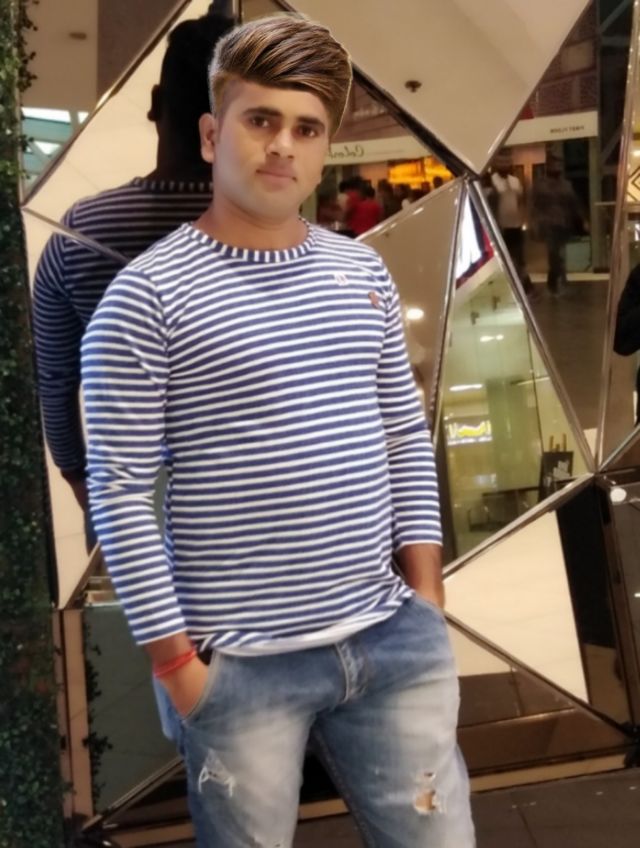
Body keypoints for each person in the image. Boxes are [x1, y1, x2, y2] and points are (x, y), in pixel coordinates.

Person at [81, 14, 475, 848]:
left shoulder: (360, 272)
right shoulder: (146, 298)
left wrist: (427, 600)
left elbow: (403, 438)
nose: (282, 146)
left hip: (390, 640)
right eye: (261, 120)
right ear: (210, 133)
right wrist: (177, 667)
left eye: (307, 128)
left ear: (325, 147)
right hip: (239, 667)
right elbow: (118, 491)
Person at [32, 9, 234, 516]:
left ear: (156, 105)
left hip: (131, 492)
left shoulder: (81, 231)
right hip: (253, 497)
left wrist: (78, 477)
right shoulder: (275, 232)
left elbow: (55, 380)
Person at [531, 154, 584, 295]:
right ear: (548, 166)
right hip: (548, 224)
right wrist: (534, 223)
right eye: (554, 165)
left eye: (559, 165)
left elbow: (574, 204)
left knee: (558, 253)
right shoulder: (540, 185)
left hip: (563, 224)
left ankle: (554, 280)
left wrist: (581, 220)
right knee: (554, 252)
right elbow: (534, 205)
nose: (557, 168)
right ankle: (556, 280)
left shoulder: (566, 185)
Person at [490, 151, 532, 296]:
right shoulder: (492, 181)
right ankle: (508, 288)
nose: (505, 166)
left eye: (507, 163)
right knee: (503, 259)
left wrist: (523, 219)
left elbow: (520, 201)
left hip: (515, 225)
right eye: (502, 163)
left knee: (519, 257)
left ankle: (524, 287)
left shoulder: (515, 181)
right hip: (500, 227)